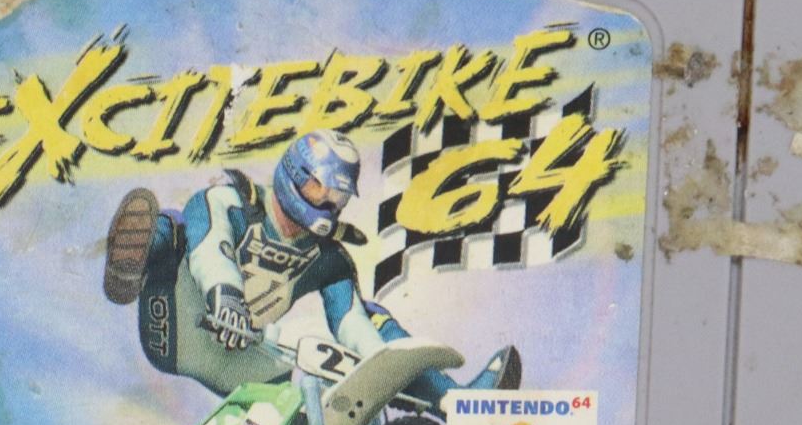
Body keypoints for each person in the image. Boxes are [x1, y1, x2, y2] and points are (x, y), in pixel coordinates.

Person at [100, 128, 521, 408]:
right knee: (174, 225)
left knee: (369, 318)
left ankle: (454, 403)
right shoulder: (233, 200)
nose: (326, 205)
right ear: (294, 175)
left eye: (337, 198)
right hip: (177, 325)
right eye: (318, 189)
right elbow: (212, 246)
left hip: (246, 362)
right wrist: (225, 296)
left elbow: (351, 323)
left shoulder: (329, 258)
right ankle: (128, 267)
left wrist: (382, 373)